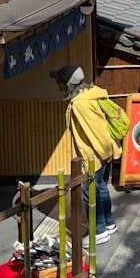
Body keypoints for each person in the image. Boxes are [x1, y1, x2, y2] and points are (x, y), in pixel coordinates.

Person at [49, 65, 120, 247]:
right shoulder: (93, 93)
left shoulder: (80, 104)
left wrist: (104, 154)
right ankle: (109, 223)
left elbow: (96, 132)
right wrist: (110, 152)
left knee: (90, 193)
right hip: (106, 151)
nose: (58, 87)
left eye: (59, 83)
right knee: (102, 188)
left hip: (95, 155)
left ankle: (99, 231)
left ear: (67, 84)